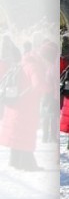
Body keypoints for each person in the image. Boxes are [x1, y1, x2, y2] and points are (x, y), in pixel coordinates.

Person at [0, 39, 44, 170]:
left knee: (16, 132)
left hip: (15, 103)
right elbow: (38, 85)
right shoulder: (33, 66)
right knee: (26, 133)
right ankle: (27, 163)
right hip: (27, 105)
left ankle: (15, 160)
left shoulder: (21, 64)